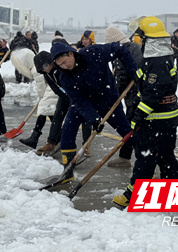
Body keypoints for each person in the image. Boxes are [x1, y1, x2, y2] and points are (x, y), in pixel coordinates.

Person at [113, 16, 178, 208]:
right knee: (166, 156)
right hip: (167, 118)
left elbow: (152, 94)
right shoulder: (159, 58)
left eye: (140, 37)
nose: (137, 41)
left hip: (156, 119)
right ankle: (173, 194)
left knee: (146, 157)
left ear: (147, 39)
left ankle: (133, 194)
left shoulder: (157, 62)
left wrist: (137, 118)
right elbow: (147, 80)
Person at [50, 37, 138, 183]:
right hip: (85, 103)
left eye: (65, 62)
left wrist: (134, 71)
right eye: (60, 65)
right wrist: (94, 119)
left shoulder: (93, 53)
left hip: (109, 101)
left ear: (70, 54)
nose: (64, 66)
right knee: (68, 129)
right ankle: (67, 171)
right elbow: (79, 101)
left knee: (127, 132)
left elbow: (120, 49)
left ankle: (148, 159)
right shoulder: (64, 76)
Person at [104, 26, 143, 167]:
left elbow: (128, 75)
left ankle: (132, 158)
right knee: (132, 126)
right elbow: (118, 76)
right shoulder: (121, 51)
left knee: (132, 126)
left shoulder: (129, 50)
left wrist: (116, 95)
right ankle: (127, 157)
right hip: (131, 94)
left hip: (137, 94)